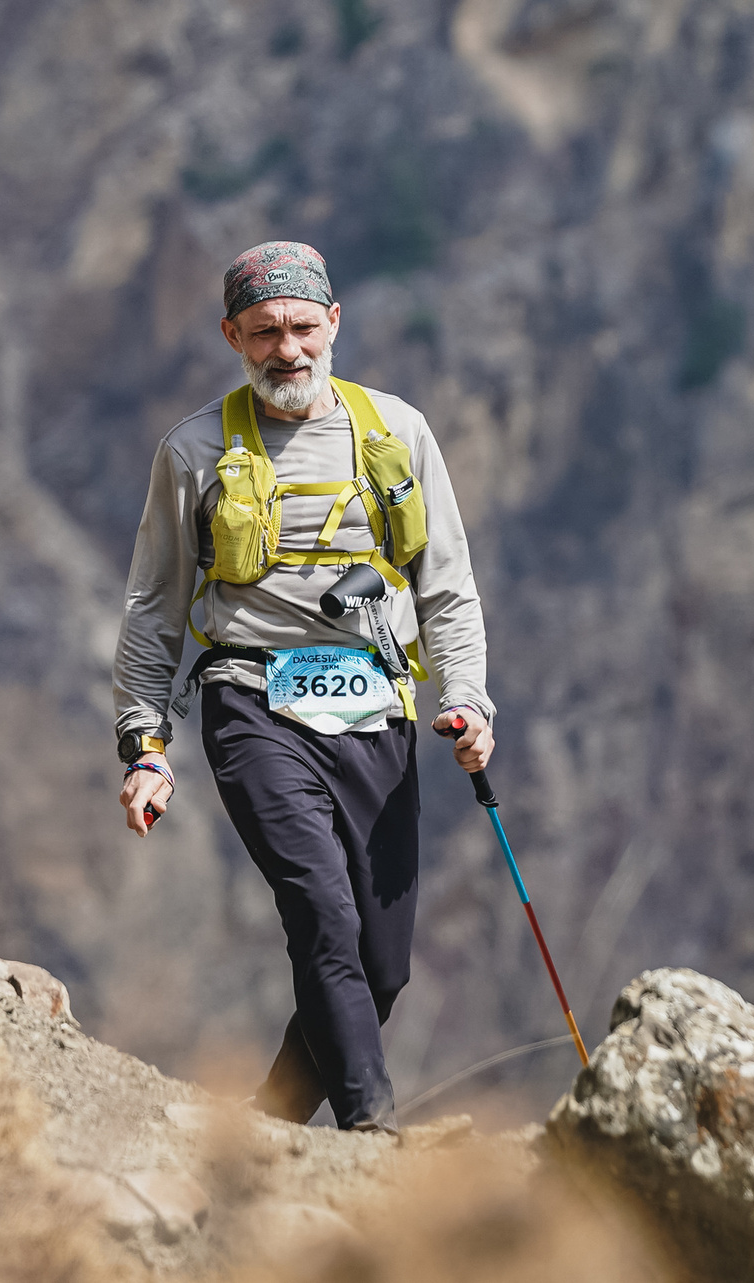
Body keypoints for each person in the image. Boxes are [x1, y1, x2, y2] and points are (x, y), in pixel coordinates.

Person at [112, 240, 496, 1133]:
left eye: (300, 327)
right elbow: (153, 608)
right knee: (321, 917)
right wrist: (147, 744)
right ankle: (374, 1131)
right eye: (263, 333)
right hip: (252, 704)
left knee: (382, 965)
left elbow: (447, 584)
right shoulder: (194, 451)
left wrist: (471, 702)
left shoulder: (398, 432)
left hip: (378, 710)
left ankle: (272, 1126)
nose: (287, 350)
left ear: (333, 323)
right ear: (233, 338)